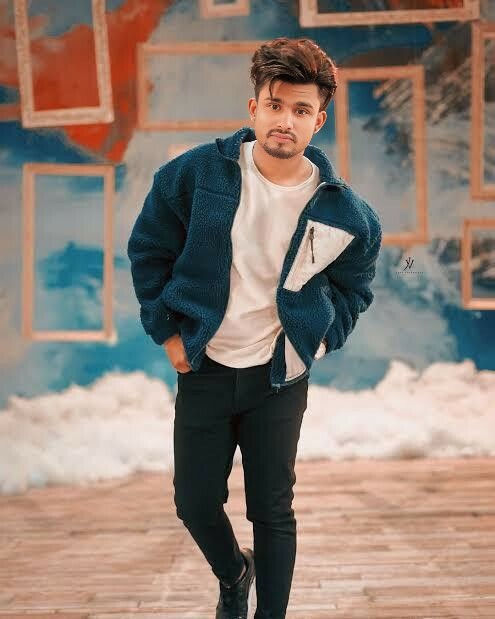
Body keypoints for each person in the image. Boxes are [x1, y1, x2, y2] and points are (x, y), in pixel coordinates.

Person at [127, 37, 382, 619]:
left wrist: (318, 340)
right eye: (275, 105)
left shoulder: (344, 212)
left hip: (278, 377)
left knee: (272, 509)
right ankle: (234, 573)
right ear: (254, 108)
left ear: (318, 120)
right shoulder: (196, 175)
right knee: (194, 503)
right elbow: (149, 250)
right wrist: (168, 332)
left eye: (300, 110)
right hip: (206, 365)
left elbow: (355, 288)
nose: (285, 120)